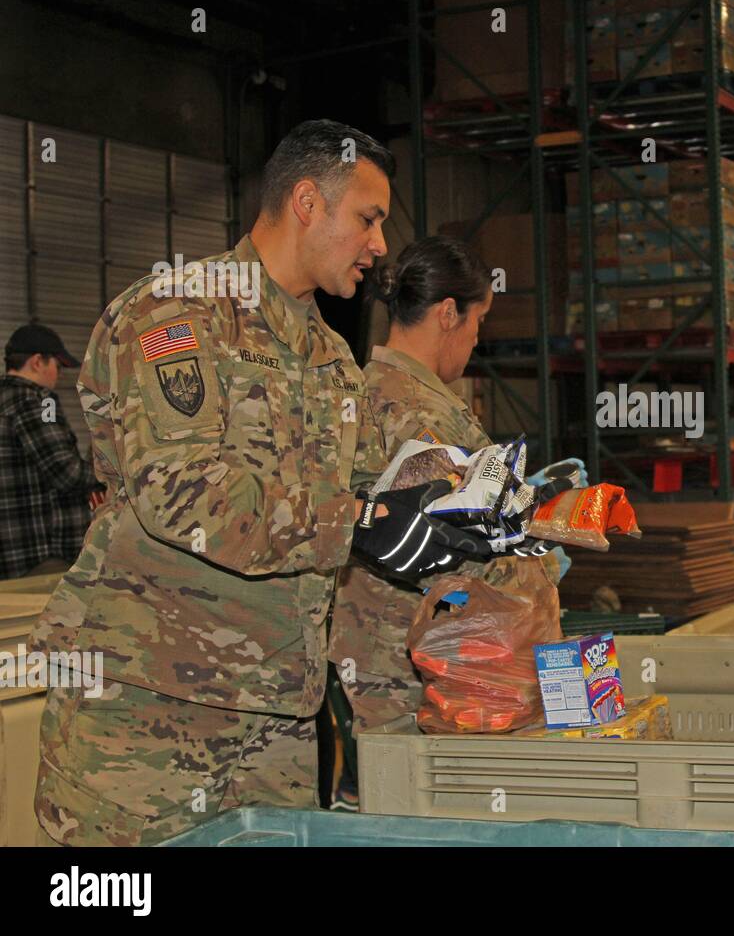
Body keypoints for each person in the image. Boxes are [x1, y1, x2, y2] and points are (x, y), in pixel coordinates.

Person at [26, 120, 511, 846]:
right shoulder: (178, 313)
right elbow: (184, 494)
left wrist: (460, 500)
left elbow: (361, 478)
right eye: (369, 219)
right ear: (308, 202)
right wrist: (364, 520)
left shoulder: (326, 353)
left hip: (276, 716)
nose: (380, 246)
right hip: (149, 708)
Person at [329, 235, 580, 788]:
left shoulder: (371, 389)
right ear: (448, 314)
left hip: (397, 649)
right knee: (421, 800)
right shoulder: (415, 410)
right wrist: (533, 553)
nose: (475, 338)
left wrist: (527, 509)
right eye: (477, 321)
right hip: (418, 658)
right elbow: (452, 545)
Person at [1, 324, 100, 579]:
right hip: (43, 554)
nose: (58, 375)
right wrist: (109, 476)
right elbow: (65, 472)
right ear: (37, 362)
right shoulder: (39, 400)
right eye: (57, 365)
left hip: (12, 553)